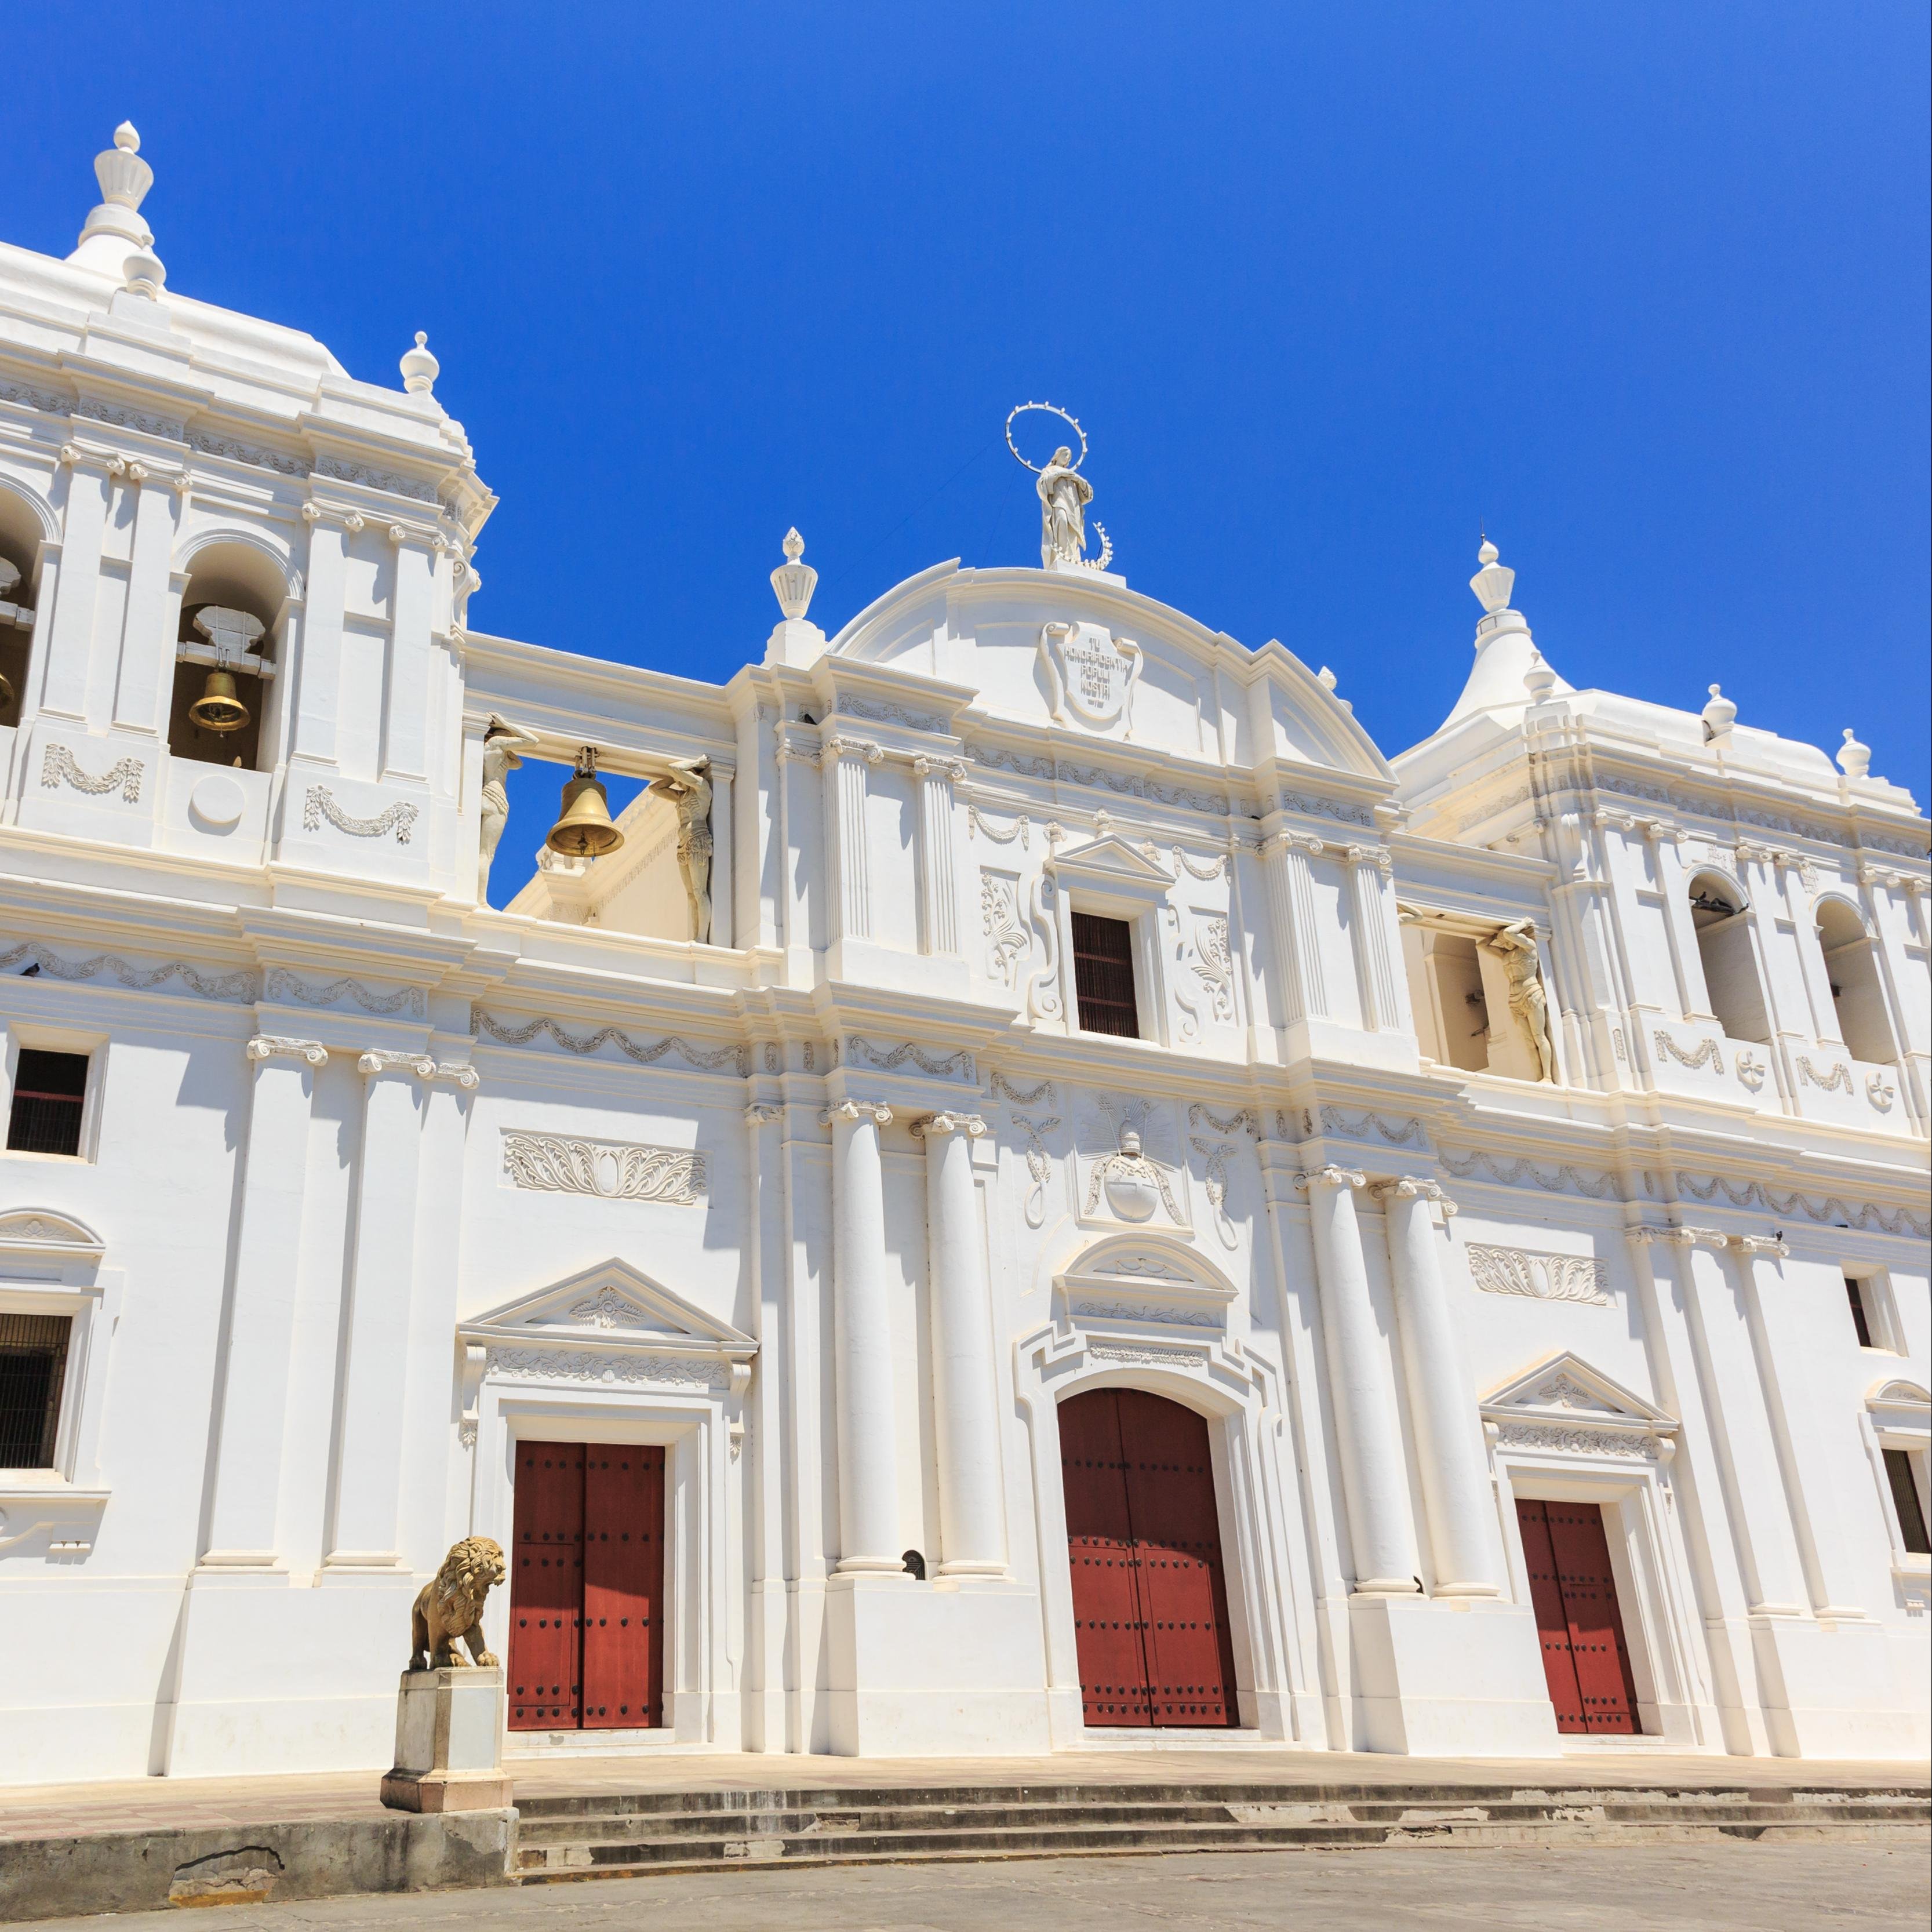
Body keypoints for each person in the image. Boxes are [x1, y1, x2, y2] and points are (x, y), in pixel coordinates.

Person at [478, 715, 540, 898]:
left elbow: (517, 763)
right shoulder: (497, 743)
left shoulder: (489, 752)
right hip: (497, 799)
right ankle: (480, 900)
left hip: (487, 795)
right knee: (486, 855)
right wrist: (507, 725)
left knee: (480, 851)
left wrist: (507, 750)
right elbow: (533, 741)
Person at [1036, 445, 1093, 567]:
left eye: (1070, 457)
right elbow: (1042, 486)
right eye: (1065, 455)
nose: (1068, 458)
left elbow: (1088, 495)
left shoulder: (1072, 475)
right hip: (1058, 502)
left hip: (1073, 507)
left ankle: (1072, 558)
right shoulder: (1049, 470)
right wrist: (1058, 475)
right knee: (1061, 519)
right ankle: (1061, 554)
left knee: (1071, 529)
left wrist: (1079, 480)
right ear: (1058, 455)